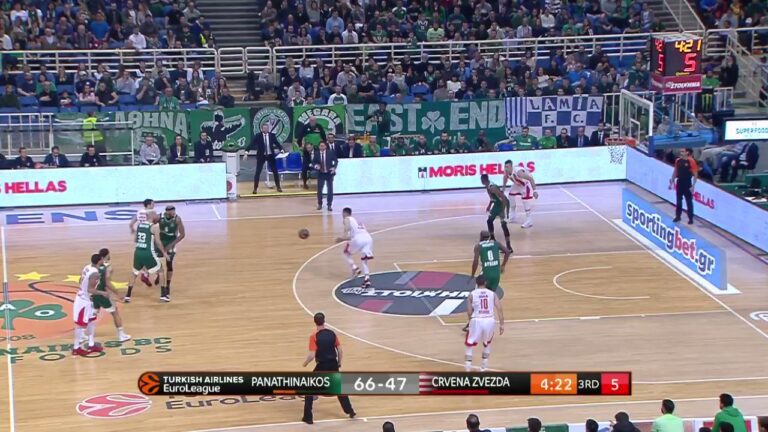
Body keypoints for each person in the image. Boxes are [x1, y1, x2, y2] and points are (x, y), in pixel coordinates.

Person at [301, 312, 355, 424]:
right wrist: (339, 363)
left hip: (322, 365)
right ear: (324, 320)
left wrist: (305, 363)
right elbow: (340, 350)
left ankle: (308, 417)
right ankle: (350, 411)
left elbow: (312, 355)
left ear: (315, 322)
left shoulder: (314, 336)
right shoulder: (332, 334)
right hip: (333, 364)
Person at [124, 214, 168, 303]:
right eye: (156, 215)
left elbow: (135, 240)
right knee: (161, 271)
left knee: (134, 273)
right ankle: (163, 295)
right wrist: (164, 253)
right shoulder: (154, 227)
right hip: (148, 253)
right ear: (152, 217)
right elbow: (158, 242)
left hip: (138, 252)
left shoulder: (139, 225)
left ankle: (127, 296)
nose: (158, 217)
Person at [464, 275, 504, 371]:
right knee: (487, 343)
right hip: (489, 320)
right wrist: (502, 324)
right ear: (485, 283)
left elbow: (469, 311)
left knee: (469, 343)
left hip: (477, 319)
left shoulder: (471, 294)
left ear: (476, 283)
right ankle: (483, 366)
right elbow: (499, 309)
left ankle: (468, 369)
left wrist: (470, 321)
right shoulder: (492, 294)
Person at [73, 254, 110, 356]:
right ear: (99, 261)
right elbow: (90, 289)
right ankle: (76, 348)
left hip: (87, 299)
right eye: (102, 259)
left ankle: (91, 344)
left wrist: (83, 287)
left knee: (91, 321)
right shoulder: (95, 273)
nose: (103, 261)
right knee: (80, 325)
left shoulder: (87, 267)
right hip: (83, 301)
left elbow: (80, 280)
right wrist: (103, 293)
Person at [92, 248, 131, 342]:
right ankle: (121, 335)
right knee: (115, 312)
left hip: (93, 293)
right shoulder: (108, 268)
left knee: (93, 312)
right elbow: (107, 283)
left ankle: (83, 333)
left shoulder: (92, 266)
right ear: (106, 256)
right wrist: (117, 293)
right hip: (102, 293)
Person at [336, 207, 374, 289]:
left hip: (359, 239)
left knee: (346, 252)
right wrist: (345, 238)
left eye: (342, 213)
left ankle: (354, 268)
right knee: (364, 260)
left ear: (345, 213)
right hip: (368, 238)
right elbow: (352, 236)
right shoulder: (358, 222)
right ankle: (367, 279)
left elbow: (347, 230)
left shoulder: (347, 219)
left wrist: (342, 238)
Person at [156, 205, 185, 302]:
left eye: (174, 211)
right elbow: (151, 228)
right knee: (155, 262)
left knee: (169, 264)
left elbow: (182, 234)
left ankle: (167, 285)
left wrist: (172, 244)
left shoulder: (177, 219)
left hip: (170, 243)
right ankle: (158, 274)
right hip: (160, 242)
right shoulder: (159, 217)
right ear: (167, 212)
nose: (174, 213)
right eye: (172, 211)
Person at [247, 123, 283, 194]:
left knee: (275, 171)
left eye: (267, 128)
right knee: (258, 172)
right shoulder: (258, 136)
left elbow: (277, 143)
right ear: (262, 129)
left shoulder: (272, 135)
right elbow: (251, 144)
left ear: (268, 129)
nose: (266, 129)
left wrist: (281, 149)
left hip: (270, 155)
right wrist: (246, 151)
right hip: (261, 156)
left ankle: (278, 187)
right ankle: (255, 188)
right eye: (264, 128)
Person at [503, 160, 539, 229]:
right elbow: (505, 179)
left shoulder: (518, 172)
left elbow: (530, 179)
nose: (506, 168)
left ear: (511, 166)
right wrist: (503, 189)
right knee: (510, 195)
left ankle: (529, 220)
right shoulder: (506, 172)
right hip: (518, 184)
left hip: (526, 184)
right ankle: (513, 215)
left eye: (507, 167)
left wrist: (535, 191)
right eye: (505, 167)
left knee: (525, 201)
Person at [480, 174, 512, 252]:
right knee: (490, 221)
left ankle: (508, 246)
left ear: (483, 180)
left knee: (503, 225)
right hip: (497, 205)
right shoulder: (488, 186)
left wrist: (503, 211)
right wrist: (489, 206)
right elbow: (492, 198)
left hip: (501, 205)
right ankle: (493, 239)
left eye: (481, 180)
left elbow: (504, 198)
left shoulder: (492, 187)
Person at [669, 148, 697, 224]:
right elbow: (675, 171)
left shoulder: (691, 161)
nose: (681, 153)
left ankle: (690, 218)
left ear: (687, 152)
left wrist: (693, 185)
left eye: (682, 151)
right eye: (680, 151)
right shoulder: (678, 161)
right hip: (679, 182)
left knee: (689, 201)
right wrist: (672, 181)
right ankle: (678, 216)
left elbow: (695, 174)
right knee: (678, 201)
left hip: (687, 183)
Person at [313, 141, 337, 211]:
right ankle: (320, 204)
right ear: (319, 147)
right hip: (321, 173)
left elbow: (335, 161)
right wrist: (316, 166)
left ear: (326, 146)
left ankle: (329, 205)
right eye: (321, 146)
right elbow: (314, 162)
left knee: (330, 189)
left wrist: (334, 167)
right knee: (319, 190)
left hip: (329, 173)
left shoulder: (330, 153)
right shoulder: (316, 153)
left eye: (323, 146)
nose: (322, 147)